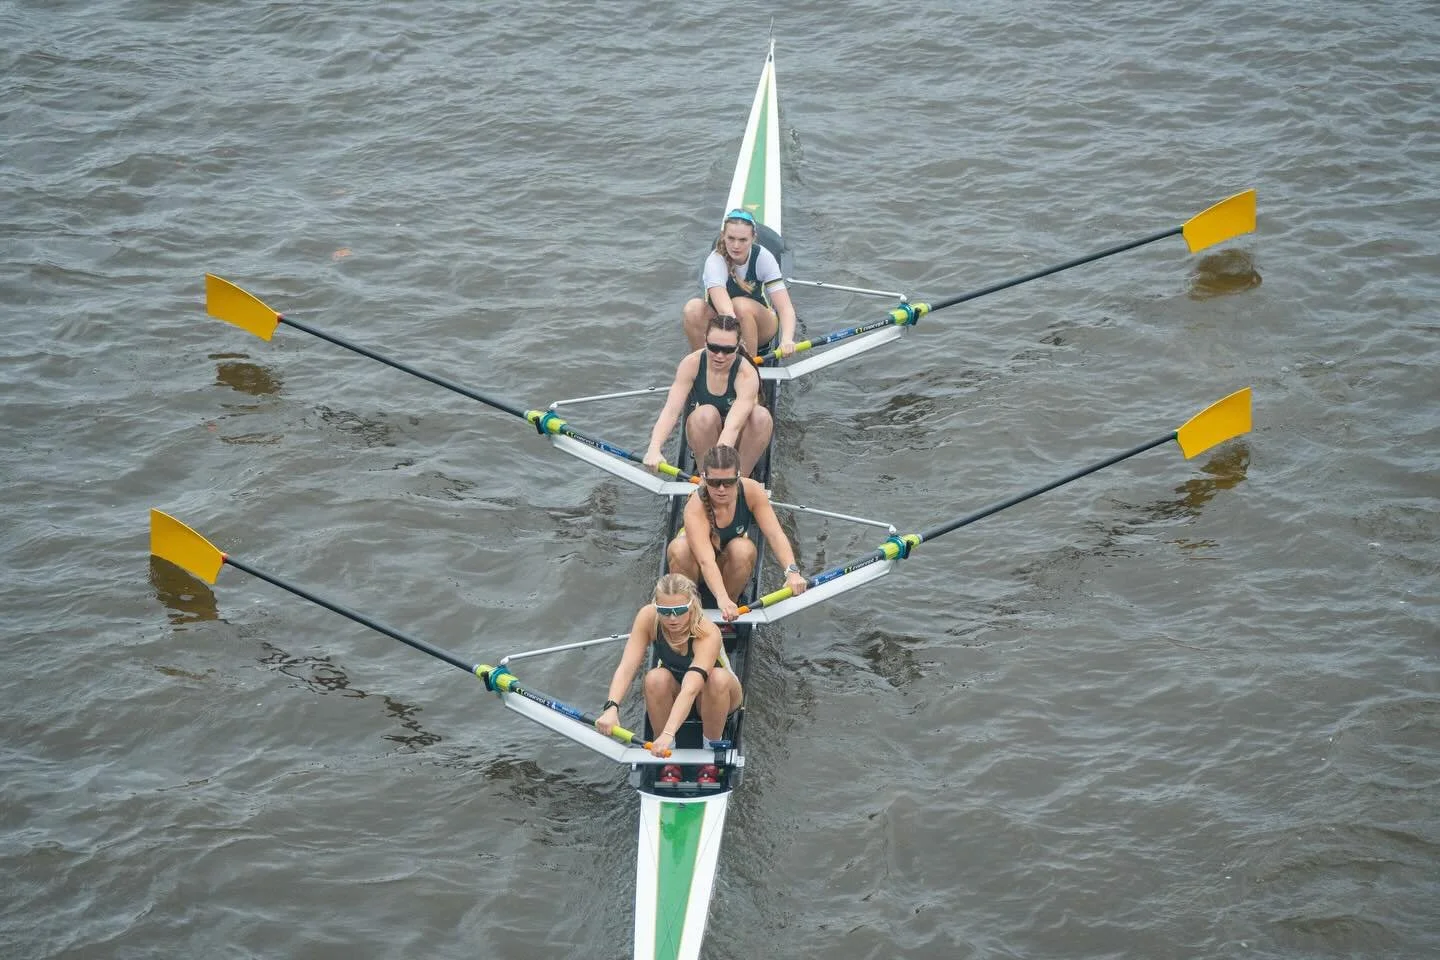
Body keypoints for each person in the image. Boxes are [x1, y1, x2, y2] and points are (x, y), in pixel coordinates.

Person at [596, 573, 743, 761]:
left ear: (692, 606)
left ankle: (711, 749)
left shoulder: (706, 632)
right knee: (654, 678)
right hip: (675, 691)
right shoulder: (648, 617)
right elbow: (627, 666)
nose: (672, 618)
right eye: (664, 611)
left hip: (713, 694)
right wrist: (611, 707)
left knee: (717, 679)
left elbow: (690, 689)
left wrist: (669, 732)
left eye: (680, 610)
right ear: (656, 607)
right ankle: (665, 753)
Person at [667, 444, 807, 621]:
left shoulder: (752, 491)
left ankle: (730, 611)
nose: (721, 489)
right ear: (704, 478)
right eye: (714, 482)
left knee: (744, 549)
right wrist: (721, 598)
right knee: (679, 548)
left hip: (728, 566)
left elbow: (775, 535)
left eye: (728, 482)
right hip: (696, 566)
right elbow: (706, 561)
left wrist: (792, 572)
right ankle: (689, 610)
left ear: (738, 477)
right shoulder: (695, 507)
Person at [644, 315, 772, 477]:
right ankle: (707, 474)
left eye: (727, 350)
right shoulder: (691, 363)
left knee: (761, 416)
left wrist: (720, 471)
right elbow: (671, 411)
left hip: (738, 433)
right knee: (704, 414)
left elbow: (732, 427)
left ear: (738, 346)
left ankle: (740, 478)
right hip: (706, 431)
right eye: (713, 347)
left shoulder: (746, 374)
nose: (719, 355)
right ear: (705, 341)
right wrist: (654, 448)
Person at [682, 209, 798, 358]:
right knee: (693, 308)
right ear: (723, 236)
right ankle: (703, 365)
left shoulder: (763, 257)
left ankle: (749, 368)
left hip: (762, 326)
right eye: (731, 238)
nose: (736, 246)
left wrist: (787, 339)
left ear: (753, 238)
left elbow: (785, 308)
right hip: (726, 322)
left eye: (743, 240)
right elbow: (726, 312)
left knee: (740, 305)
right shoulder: (714, 261)